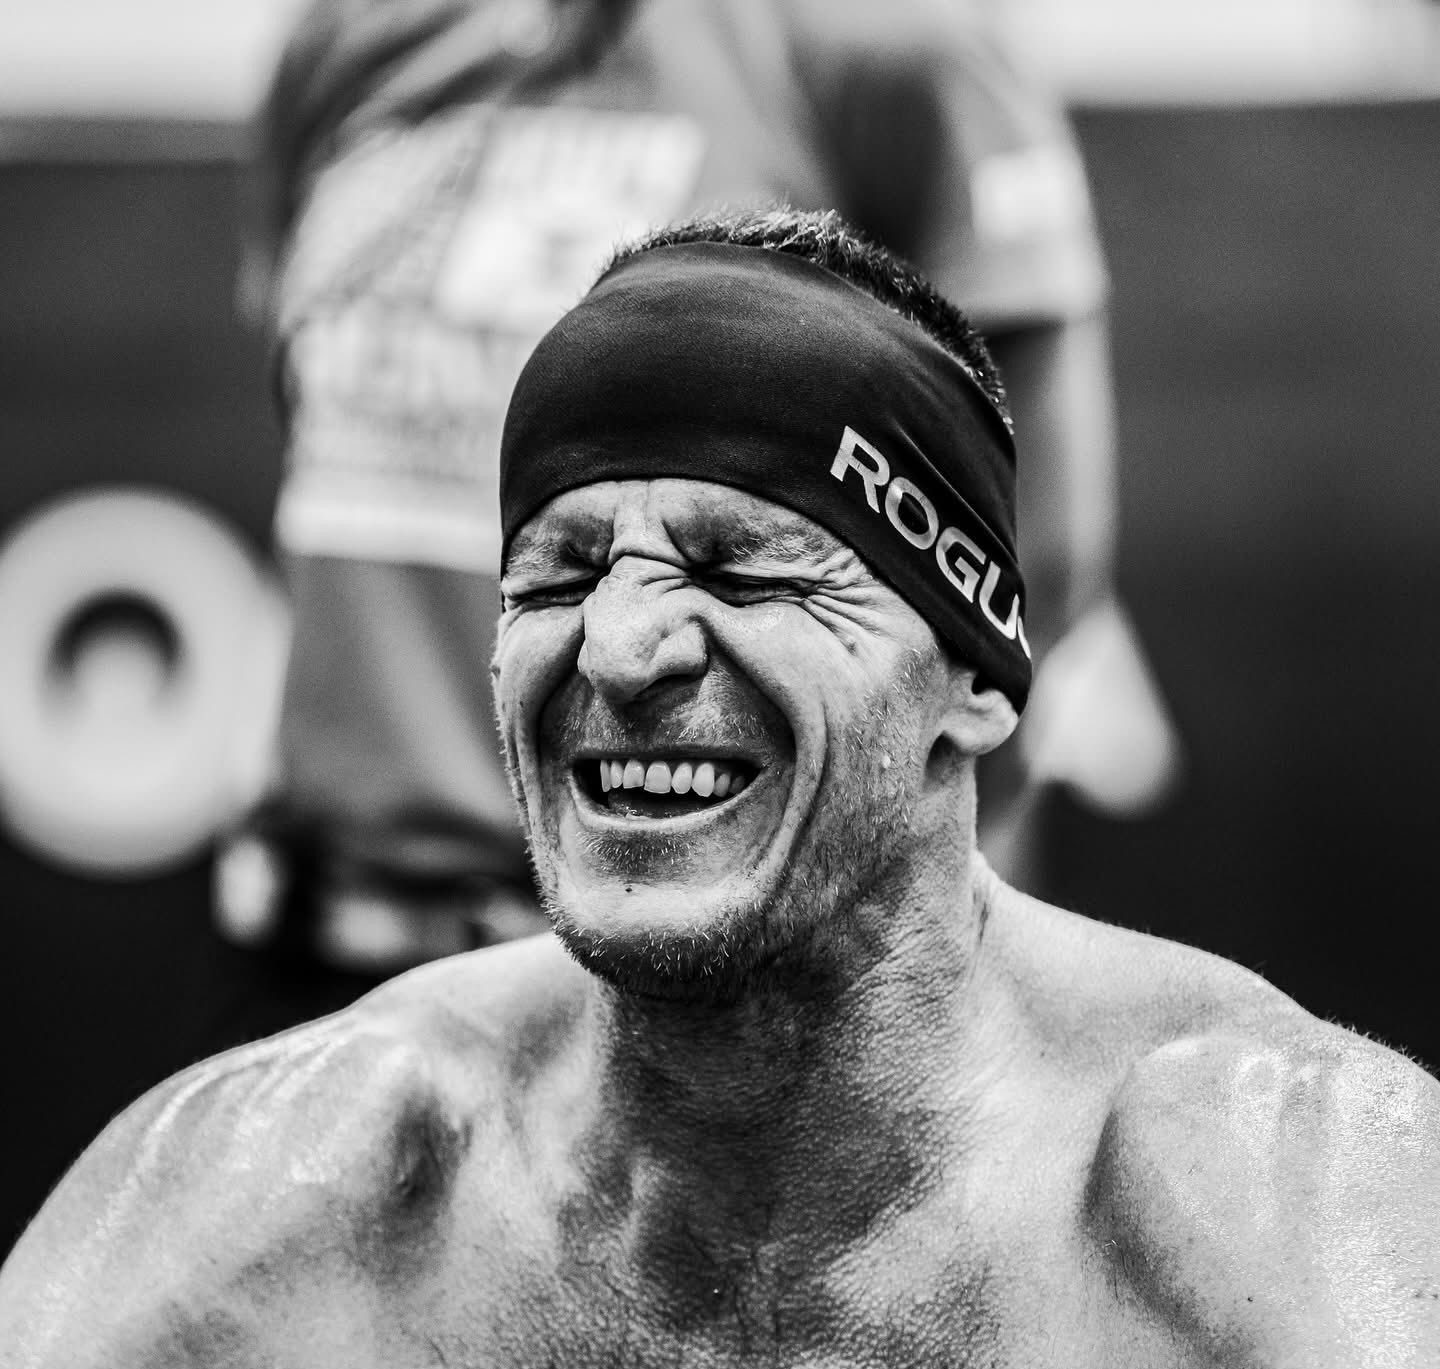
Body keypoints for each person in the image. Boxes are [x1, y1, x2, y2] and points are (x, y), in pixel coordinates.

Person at [2, 208, 1435, 1369]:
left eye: (741, 570)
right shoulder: (312, 1183)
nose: (619, 648)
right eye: (560, 575)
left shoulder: (1261, 1188)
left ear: (975, 682)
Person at [216, 0, 1145, 975]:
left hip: (674, 978)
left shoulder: (890, 38)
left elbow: (1027, 568)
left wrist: (830, 949)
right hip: (318, 935)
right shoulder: (347, 32)